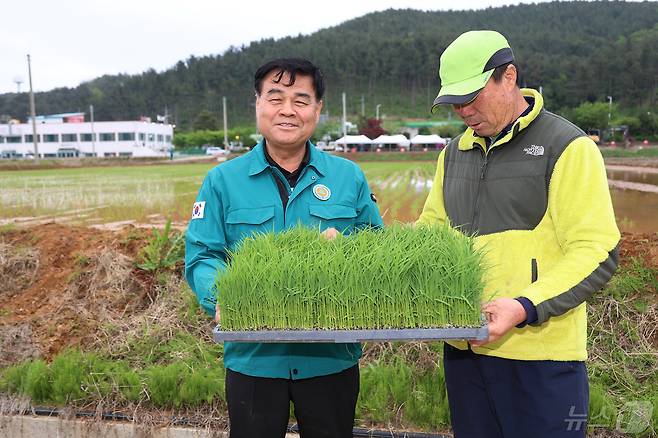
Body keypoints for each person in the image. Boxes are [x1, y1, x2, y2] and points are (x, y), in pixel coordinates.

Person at [417, 30, 620, 438]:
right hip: (464, 349)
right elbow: (430, 236)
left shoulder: (566, 146)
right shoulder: (454, 153)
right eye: (455, 102)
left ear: (508, 76)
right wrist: (362, 254)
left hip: (541, 357)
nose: (464, 111)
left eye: (472, 97)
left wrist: (524, 305)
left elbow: (596, 251)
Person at [185, 58, 382, 438]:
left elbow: (377, 248)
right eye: (275, 98)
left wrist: (347, 251)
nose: (288, 110)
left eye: (301, 100)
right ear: (257, 104)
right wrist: (221, 295)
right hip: (254, 360)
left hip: (331, 358)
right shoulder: (222, 181)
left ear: (318, 109)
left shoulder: (348, 177)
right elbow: (203, 257)